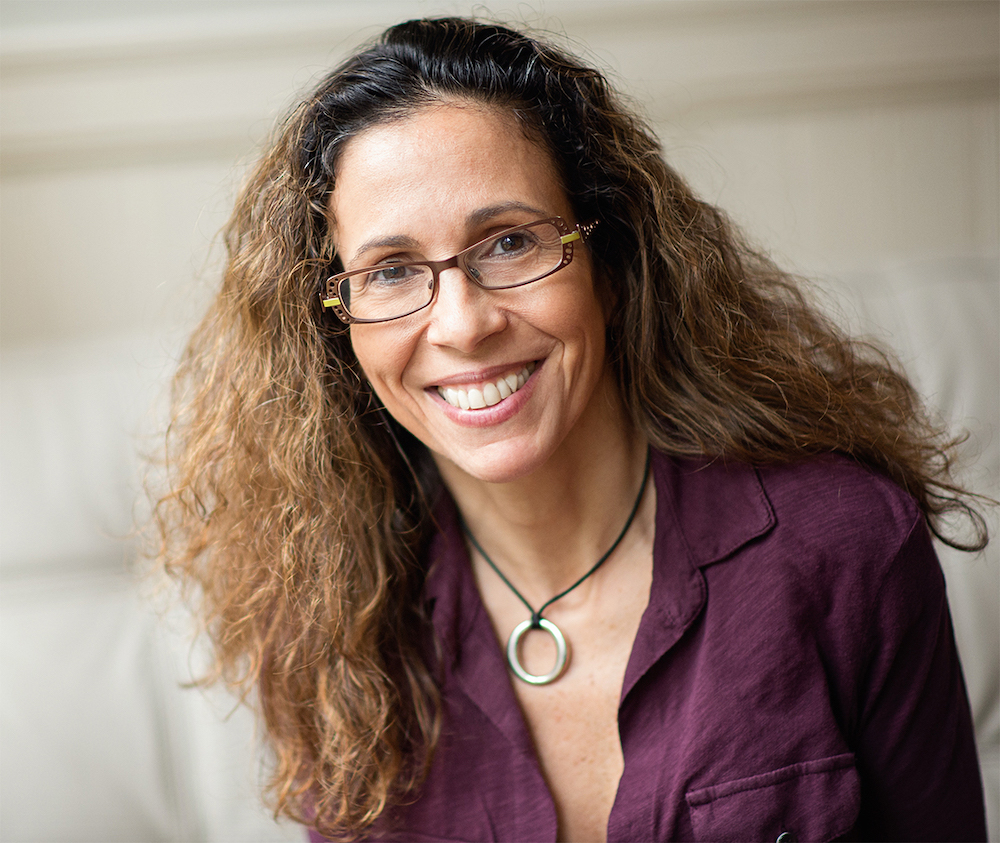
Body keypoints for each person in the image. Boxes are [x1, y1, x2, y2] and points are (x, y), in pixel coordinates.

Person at [154, 16, 988, 842]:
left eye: (511, 241)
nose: (464, 323)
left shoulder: (843, 544)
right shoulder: (325, 622)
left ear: (613, 261)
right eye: (393, 270)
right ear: (334, 325)